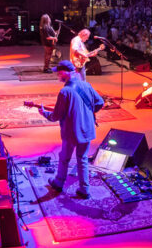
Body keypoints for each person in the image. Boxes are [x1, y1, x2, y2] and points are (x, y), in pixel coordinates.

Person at [39, 60, 105, 199]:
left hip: (71, 132)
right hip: (87, 130)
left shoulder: (65, 91)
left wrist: (43, 113)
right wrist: (88, 114)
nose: (57, 75)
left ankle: (58, 183)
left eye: (59, 72)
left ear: (66, 72)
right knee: (82, 159)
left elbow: (56, 115)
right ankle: (84, 190)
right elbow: (100, 102)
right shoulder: (86, 85)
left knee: (64, 158)